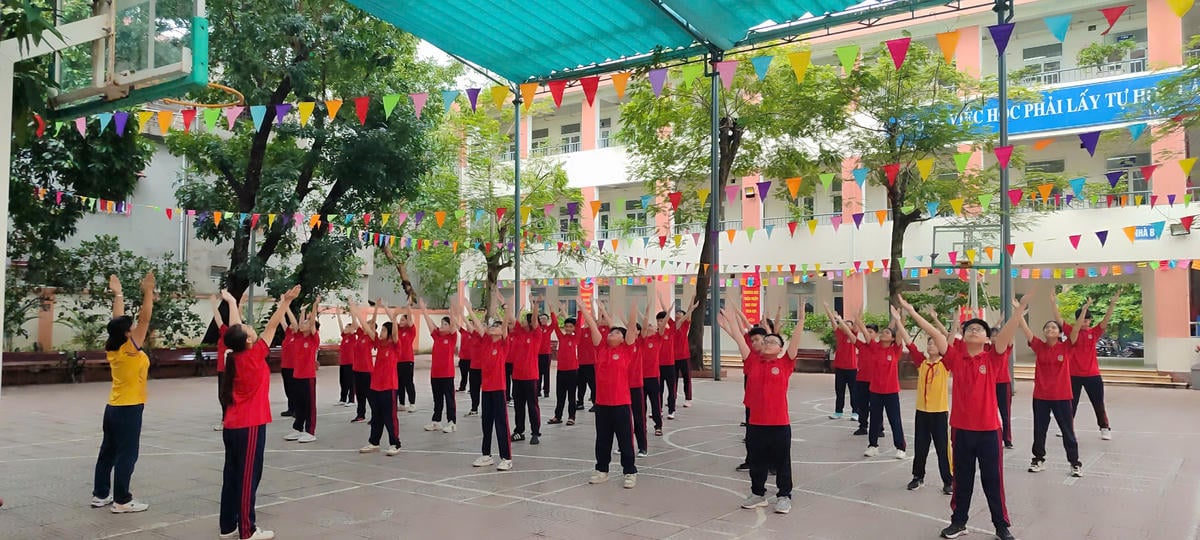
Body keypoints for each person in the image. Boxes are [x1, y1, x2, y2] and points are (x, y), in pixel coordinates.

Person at [901, 293, 1026, 540]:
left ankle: (1001, 526)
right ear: (963, 335)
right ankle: (959, 522)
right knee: (962, 479)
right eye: (970, 328)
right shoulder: (956, 358)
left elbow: (1006, 335)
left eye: (979, 329)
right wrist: (913, 313)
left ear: (987, 338)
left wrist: (1019, 310)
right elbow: (936, 335)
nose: (974, 330)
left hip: (989, 430)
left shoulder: (992, 358)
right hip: (960, 429)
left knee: (993, 480)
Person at [217, 286, 297, 540]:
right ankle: (247, 530)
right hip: (249, 426)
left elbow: (235, 328)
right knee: (248, 479)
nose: (252, 328)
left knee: (231, 475)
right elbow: (273, 325)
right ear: (249, 341)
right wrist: (285, 302)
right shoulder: (253, 356)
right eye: (250, 330)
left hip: (232, 425)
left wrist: (231, 302)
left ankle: (227, 525)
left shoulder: (235, 355)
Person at [719, 300, 804, 515]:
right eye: (765, 340)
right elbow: (740, 337)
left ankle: (784, 495)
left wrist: (801, 320)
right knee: (757, 461)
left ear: (780, 348)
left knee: (782, 462)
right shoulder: (752, 361)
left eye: (773, 341)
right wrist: (731, 322)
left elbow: (794, 342)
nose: (767, 342)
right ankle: (758, 493)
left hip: (779, 423)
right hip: (756, 422)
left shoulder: (785, 363)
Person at [91, 271, 156, 514]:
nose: (135, 327)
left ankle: (100, 495)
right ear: (129, 333)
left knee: (107, 451)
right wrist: (148, 291)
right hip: (129, 408)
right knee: (127, 454)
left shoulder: (115, 344)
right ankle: (121, 500)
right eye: (132, 327)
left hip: (113, 408)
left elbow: (118, 319)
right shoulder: (129, 348)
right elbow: (145, 318)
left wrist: (118, 292)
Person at [1018, 299, 1084, 478]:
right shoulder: (1039, 346)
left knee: (1067, 430)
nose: (1050, 330)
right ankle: (1038, 459)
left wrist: (1083, 311)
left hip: (1062, 396)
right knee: (1039, 429)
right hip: (1041, 395)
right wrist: (1019, 311)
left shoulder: (1066, 347)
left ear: (1059, 332)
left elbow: (1076, 330)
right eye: (1047, 328)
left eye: (1053, 328)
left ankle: (1074, 462)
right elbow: (1026, 330)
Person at [580, 298, 638, 489]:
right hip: (602, 403)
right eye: (611, 332)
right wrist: (583, 308)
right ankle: (602, 470)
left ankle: (630, 472)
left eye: (616, 332)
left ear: (622, 339)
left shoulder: (626, 350)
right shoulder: (602, 349)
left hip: (621, 403)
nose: (612, 334)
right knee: (602, 439)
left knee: (625, 440)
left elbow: (630, 329)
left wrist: (633, 307)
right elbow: (592, 326)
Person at [1053, 291, 1116, 441]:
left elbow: (1105, 321)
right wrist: (1052, 302)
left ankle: (1104, 428)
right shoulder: (1071, 332)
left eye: (1088, 320)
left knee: (1098, 403)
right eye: (1083, 320)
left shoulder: (1094, 332)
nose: (1085, 323)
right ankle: (1067, 427)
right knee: (1070, 403)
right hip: (1073, 375)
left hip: (1092, 375)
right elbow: (1058, 319)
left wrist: (1112, 304)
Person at [903, 330, 953, 495]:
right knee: (920, 446)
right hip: (922, 412)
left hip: (939, 412)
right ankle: (918, 476)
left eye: (934, 343)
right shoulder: (922, 363)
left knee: (942, 448)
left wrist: (954, 325)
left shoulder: (945, 364)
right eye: (929, 343)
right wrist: (898, 322)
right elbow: (910, 345)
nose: (930, 345)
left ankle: (948, 480)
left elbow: (949, 344)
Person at [469, 290, 514, 471]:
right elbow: (479, 327)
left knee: (501, 423)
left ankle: (506, 457)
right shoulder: (486, 342)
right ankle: (486, 454)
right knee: (486, 422)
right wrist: (468, 309)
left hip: (498, 389)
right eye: (491, 326)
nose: (491, 328)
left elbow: (504, 325)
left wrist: (506, 308)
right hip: (485, 389)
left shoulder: (502, 344)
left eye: (494, 327)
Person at [857, 310, 907, 459]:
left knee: (894, 419)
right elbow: (865, 333)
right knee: (875, 419)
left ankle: (900, 448)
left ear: (892, 338)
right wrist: (857, 317)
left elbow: (900, 334)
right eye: (883, 332)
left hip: (891, 391)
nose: (884, 333)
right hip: (875, 391)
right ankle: (873, 446)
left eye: (887, 332)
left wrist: (899, 319)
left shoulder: (895, 349)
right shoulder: (875, 347)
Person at [355, 299, 402, 456]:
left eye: (383, 331)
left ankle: (395, 443)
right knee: (376, 416)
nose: (380, 333)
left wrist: (393, 317)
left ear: (388, 333)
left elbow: (395, 332)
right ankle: (374, 442)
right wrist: (355, 310)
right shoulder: (379, 344)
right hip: (376, 385)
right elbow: (367, 328)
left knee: (390, 417)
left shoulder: (395, 345)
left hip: (389, 386)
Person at [419, 298, 459, 434]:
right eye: (441, 323)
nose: (441, 325)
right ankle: (436, 421)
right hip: (435, 374)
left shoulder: (452, 337)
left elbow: (454, 325)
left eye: (444, 324)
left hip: (447, 374)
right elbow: (429, 323)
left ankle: (452, 422)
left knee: (449, 399)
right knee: (437, 399)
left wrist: (452, 312)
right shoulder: (437, 336)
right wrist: (423, 309)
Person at [284, 299, 320, 443]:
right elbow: (297, 324)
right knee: (299, 403)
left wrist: (315, 305)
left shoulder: (313, 338)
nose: (303, 324)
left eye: (306, 323)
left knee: (309, 404)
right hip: (297, 375)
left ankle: (310, 431)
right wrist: (302, 311)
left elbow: (311, 324)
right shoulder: (298, 336)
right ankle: (297, 428)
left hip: (308, 376)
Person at [510, 296, 543, 445]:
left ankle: (535, 432)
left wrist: (535, 305)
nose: (522, 322)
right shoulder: (518, 333)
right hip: (517, 376)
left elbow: (535, 321)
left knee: (532, 405)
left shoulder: (535, 335)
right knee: (518, 405)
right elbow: (511, 319)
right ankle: (519, 431)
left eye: (525, 320)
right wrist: (504, 303)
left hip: (531, 376)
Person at [210, 293, 243, 432]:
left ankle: (229, 420)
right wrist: (213, 303)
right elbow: (217, 318)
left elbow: (238, 320)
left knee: (229, 395)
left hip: (230, 369)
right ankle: (225, 419)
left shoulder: (235, 336)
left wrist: (238, 304)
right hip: (221, 369)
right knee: (222, 395)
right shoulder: (224, 331)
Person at [824, 303, 858, 421]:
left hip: (852, 368)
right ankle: (838, 411)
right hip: (840, 368)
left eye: (849, 324)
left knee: (854, 392)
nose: (845, 326)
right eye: (845, 324)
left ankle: (855, 412)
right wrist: (827, 309)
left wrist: (857, 313)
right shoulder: (839, 333)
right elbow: (832, 320)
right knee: (840, 391)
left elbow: (857, 323)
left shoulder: (853, 334)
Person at [547, 303, 580, 426]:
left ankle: (572, 417)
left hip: (572, 371)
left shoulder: (576, 338)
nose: (568, 328)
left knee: (572, 396)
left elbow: (579, 327)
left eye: (570, 326)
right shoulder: (561, 337)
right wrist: (552, 311)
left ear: (574, 328)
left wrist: (581, 311)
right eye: (566, 326)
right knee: (560, 396)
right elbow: (555, 325)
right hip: (561, 371)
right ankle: (558, 416)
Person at [638, 297, 665, 438]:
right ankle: (642, 426)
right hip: (641, 378)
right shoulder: (642, 341)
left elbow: (663, 325)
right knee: (642, 405)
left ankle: (658, 426)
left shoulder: (658, 339)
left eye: (651, 326)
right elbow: (642, 328)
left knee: (656, 404)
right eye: (648, 326)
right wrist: (646, 311)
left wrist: (667, 312)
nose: (649, 328)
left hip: (653, 377)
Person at [576, 301, 605, 411]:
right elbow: (577, 324)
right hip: (581, 363)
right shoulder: (580, 332)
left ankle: (595, 402)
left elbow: (593, 318)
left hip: (592, 362)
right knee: (581, 384)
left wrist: (592, 305)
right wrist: (581, 309)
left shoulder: (594, 331)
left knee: (593, 385)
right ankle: (580, 402)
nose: (588, 322)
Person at [348, 301, 373, 424]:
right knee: (360, 394)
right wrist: (352, 308)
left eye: (367, 325)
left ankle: (375, 416)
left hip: (367, 370)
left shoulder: (371, 337)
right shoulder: (361, 336)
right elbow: (355, 323)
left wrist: (377, 307)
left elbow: (368, 323)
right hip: (356, 369)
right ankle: (360, 414)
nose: (364, 326)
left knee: (370, 394)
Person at [670, 302, 697, 409]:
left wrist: (692, 299)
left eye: (680, 314)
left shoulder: (685, 325)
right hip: (673, 357)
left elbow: (689, 314)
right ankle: (673, 398)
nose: (677, 314)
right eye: (676, 313)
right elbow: (666, 314)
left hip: (684, 356)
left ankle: (688, 399)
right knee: (673, 379)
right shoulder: (672, 325)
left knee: (687, 378)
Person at [395, 306, 418, 412]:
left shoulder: (411, 331)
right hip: (397, 361)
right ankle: (402, 403)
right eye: (400, 320)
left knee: (408, 382)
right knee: (399, 383)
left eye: (403, 319)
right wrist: (386, 307)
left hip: (408, 360)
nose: (401, 321)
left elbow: (410, 319)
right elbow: (392, 319)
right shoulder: (398, 330)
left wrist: (408, 307)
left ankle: (412, 404)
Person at [335, 307, 359, 408]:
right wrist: (338, 316)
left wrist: (353, 312)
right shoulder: (344, 337)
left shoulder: (353, 337)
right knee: (343, 381)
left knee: (350, 382)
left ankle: (351, 399)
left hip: (351, 363)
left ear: (352, 329)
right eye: (345, 327)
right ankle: (343, 398)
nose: (345, 328)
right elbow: (340, 326)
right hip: (343, 363)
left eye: (347, 327)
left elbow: (355, 325)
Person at [278, 311, 298, 418]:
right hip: (285, 366)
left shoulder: (298, 335)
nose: (290, 325)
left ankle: (296, 409)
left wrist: (288, 309)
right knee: (288, 388)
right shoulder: (288, 334)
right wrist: (282, 306)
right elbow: (282, 320)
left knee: (295, 389)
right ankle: (291, 408)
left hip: (294, 366)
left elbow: (294, 323)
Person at [536, 307, 555, 398]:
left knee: (546, 373)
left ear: (547, 320)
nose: (542, 320)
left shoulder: (549, 328)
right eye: (541, 318)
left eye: (544, 318)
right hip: (537, 354)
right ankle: (537, 390)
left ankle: (546, 391)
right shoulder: (537, 328)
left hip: (547, 354)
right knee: (538, 372)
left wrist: (552, 312)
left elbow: (555, 323)